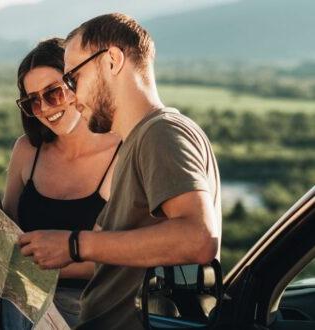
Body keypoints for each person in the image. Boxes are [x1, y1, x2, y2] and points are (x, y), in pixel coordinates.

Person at [17, 13, 222, 329]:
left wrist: (74, 245)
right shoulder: (139, 141)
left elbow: (199, 238)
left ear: (112, 60)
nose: (71, 95)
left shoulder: (161, 133)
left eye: (73, 79)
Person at [0, 38, 121, 329]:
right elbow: (10, 237)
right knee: (11, 300)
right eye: (33, 100)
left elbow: (122, 260)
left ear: (77, 83)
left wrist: (36, 270)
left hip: (87, 306)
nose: (45, 108)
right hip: (20, 299)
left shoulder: (122, 154)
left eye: (53, 93)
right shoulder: (27, 150)